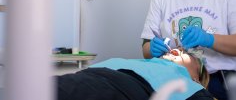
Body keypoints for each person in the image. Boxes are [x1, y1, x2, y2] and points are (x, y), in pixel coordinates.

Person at [55, 49, 213, 100]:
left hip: (118, 87)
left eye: (186, 54)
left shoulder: (192, 87)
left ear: (196, 78)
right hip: (89, 76)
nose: (176, 50)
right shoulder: (148, 63)